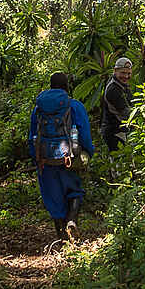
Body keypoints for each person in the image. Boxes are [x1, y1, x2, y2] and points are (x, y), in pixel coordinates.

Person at [28, 72, 94, 241]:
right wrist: (88, 153)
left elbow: (32, 137)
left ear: (51, 86)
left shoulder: (38, 110)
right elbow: (85, 134)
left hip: (46, 161)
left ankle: (61, 238)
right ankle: (72, 220)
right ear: (67, 87)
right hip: (69, 157)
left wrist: (36, 158)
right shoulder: (75, 106)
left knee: (53, 197)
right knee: (74, 191)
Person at [101, 56, 135, 151]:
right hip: (114, 132)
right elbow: (127, 112)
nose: (126, 76)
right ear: (115, 71)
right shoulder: (113, 89)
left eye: (128, 74)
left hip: (121, 131)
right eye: (123, 73)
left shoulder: (122, 85)